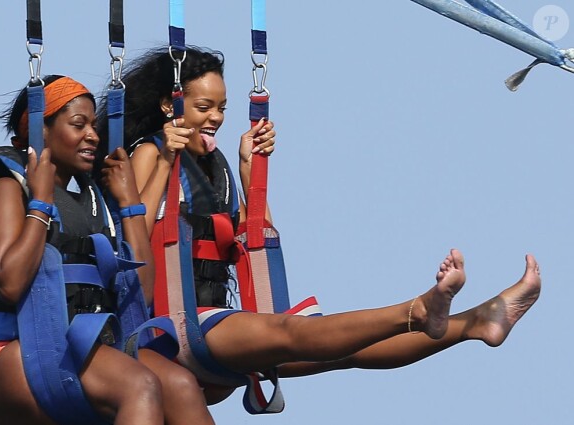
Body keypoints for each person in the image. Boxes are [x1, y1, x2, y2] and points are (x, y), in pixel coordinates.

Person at [95, 46, 541, 406]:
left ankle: (476, 323)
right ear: (168, 105)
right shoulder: (150, 152)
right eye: (203, 107)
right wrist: (168, 157)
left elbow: (259, 237)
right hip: (173, 327)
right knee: (296, 334)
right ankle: (419, 308)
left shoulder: (216, 166)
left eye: (222, 108)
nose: (215, 118)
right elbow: (131, 226)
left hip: (221, 325)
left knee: (346, 351)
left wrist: (252, 172)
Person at [0, 75, 214, 425]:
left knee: (181, 384)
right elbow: (9, 282)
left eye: (94, 125)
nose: (93, 136)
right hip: (17, 346)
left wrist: (129, 205)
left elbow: (139, 290)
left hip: (86, 341)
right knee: (139, 386)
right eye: (78, 125)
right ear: (40, 131)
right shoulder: (8, 182)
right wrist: (39, 204)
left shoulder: (92, 194)